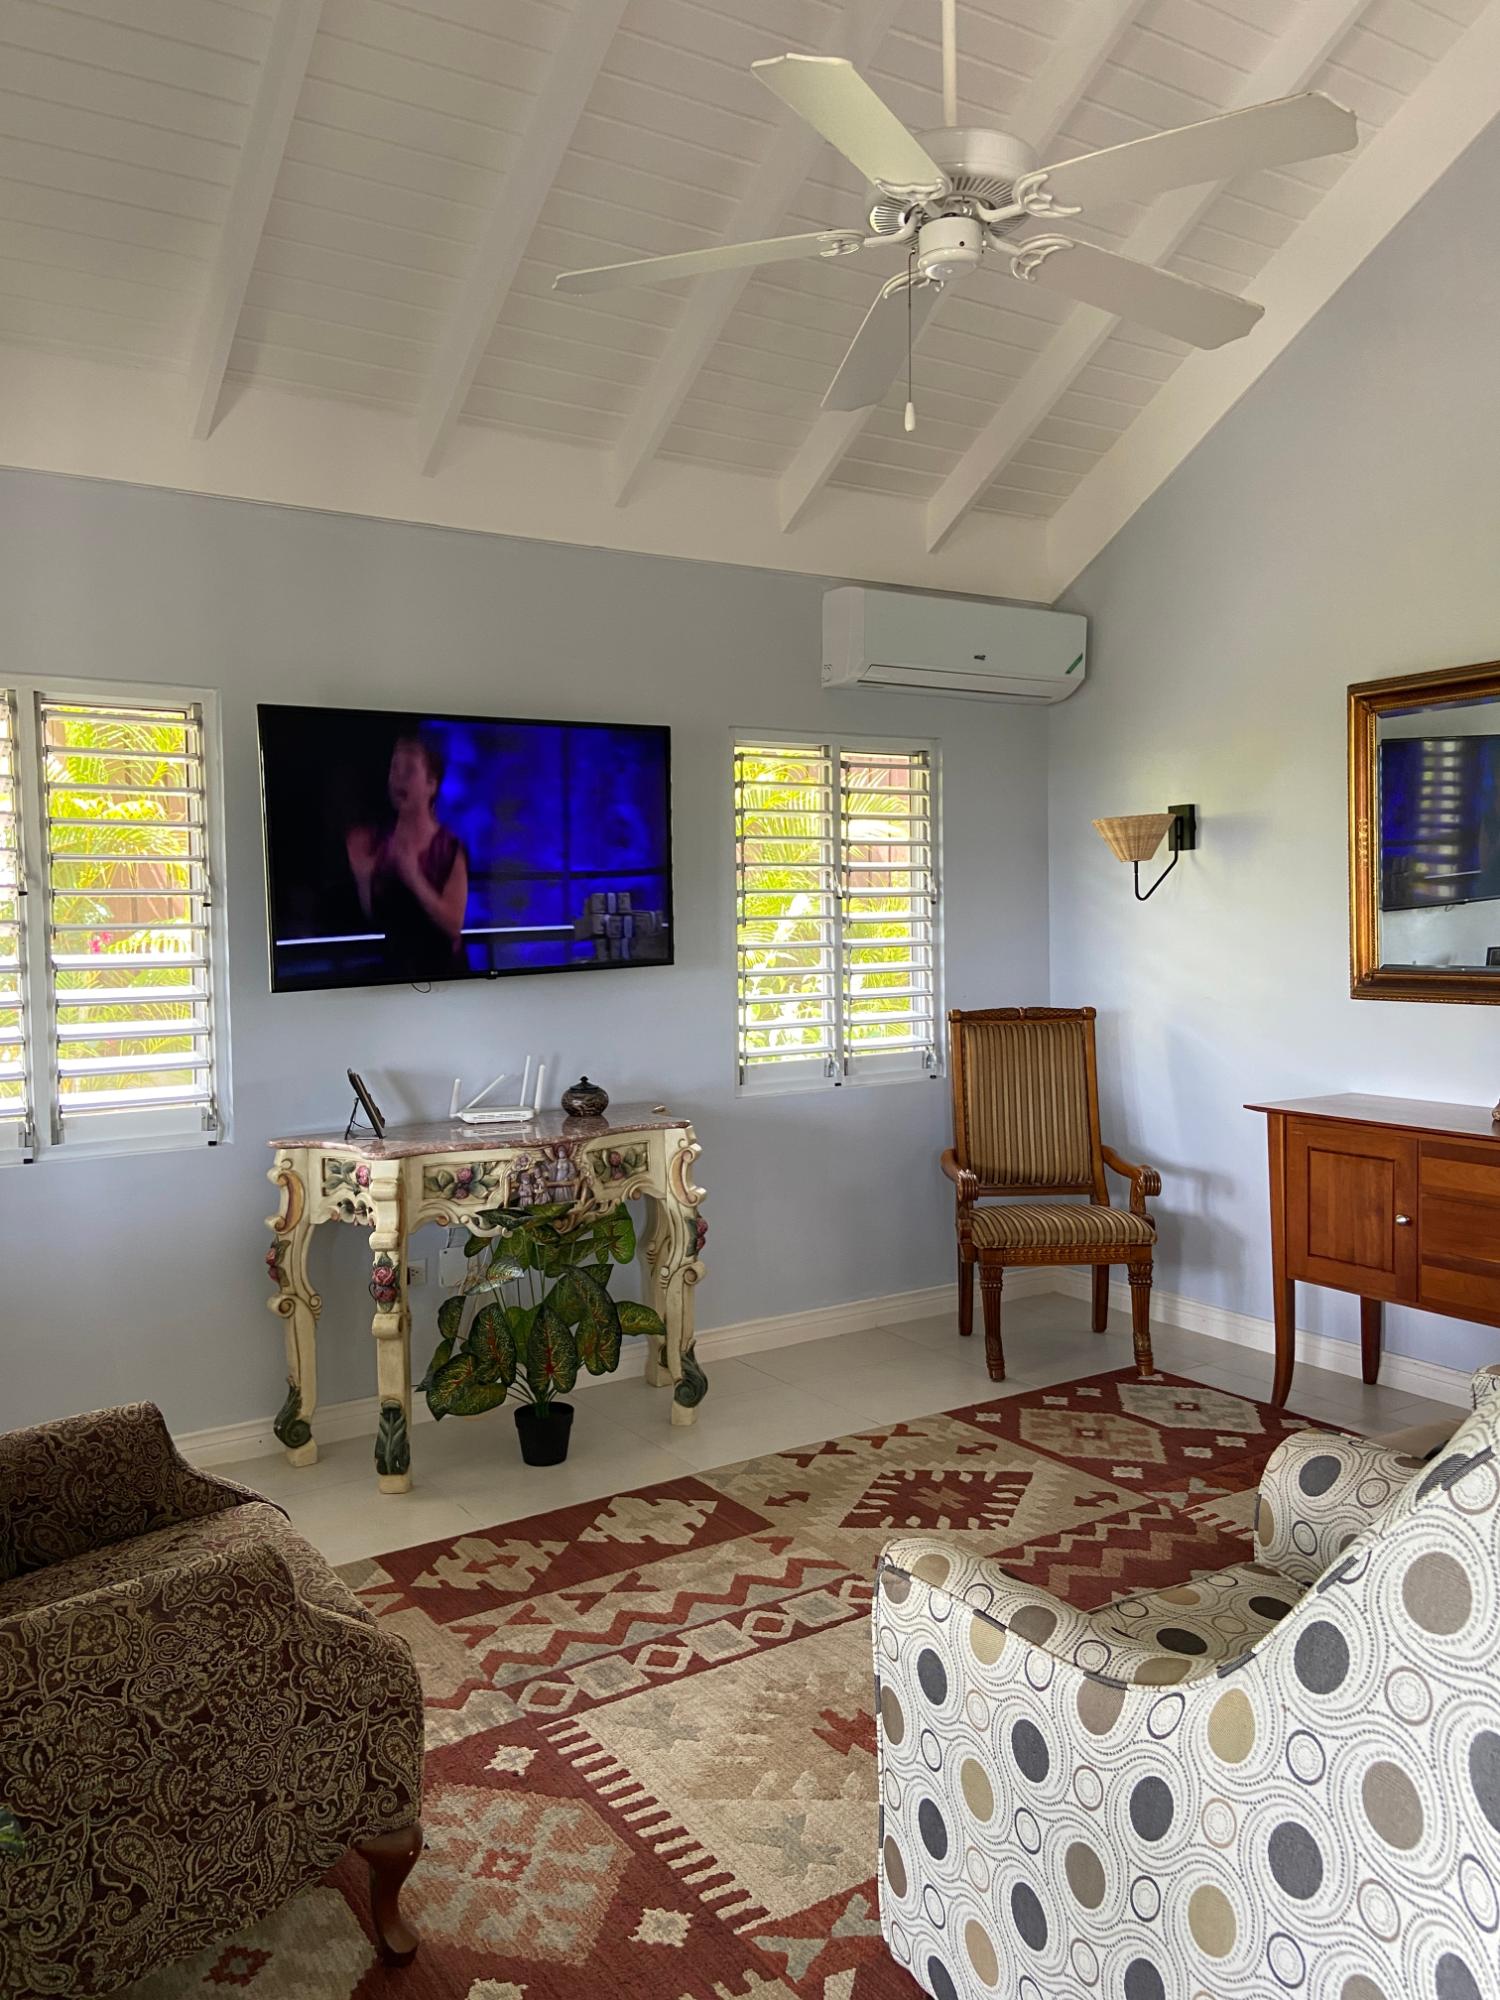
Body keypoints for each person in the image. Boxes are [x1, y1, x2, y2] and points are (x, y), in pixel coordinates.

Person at [346, 734, 469, 978]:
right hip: (395, 977)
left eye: (409, 769)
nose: (398, 777)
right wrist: (363, 879)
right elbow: (376, 919)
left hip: (446, 979)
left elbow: (453, 925)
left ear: (431, 785)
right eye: (395, 768)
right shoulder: (379, 843)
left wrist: (414, 878)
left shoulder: (449, 849)